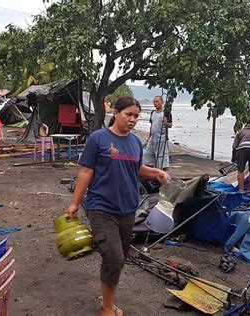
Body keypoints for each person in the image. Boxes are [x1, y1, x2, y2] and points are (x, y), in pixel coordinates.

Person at [65, 96, 170, 316]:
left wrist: (156, 173)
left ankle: (107, 299)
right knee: (114, 257)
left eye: (136, 116)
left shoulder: (134, 142)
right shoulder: (98, 139)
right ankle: (106, 307)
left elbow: (137, 169)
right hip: (101, 208)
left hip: (128, 208)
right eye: (128, 114)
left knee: (119, 258)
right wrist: (74, 203)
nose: (132, 119)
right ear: (116, 113)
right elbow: (86, 171)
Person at [143, 95, 172, 170]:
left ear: (162, 102)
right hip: (152, 139)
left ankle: (162, 176)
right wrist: (148, 138)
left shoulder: (166, 113)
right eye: (154, 102)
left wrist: (166, 124)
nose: (155, 103)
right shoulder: (153, 113)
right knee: (147, 156)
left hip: (161, 140)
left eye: (157, 101)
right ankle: (150, 174)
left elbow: (170, 125)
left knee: (162, 160)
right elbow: (152, 126)